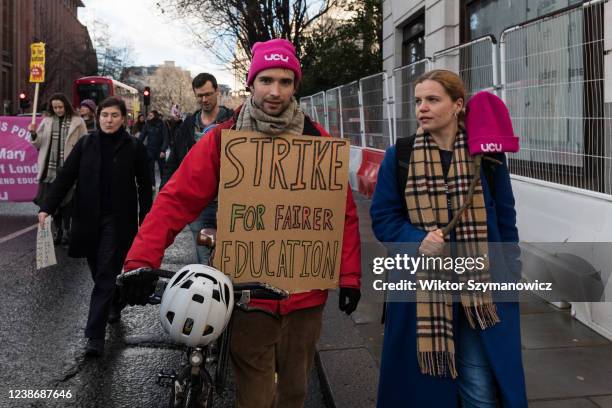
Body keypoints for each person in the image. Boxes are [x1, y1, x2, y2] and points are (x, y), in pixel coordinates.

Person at [122, 38, 362, 408]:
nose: (275, 91)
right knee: (254, 395)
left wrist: (349, 277)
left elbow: (341, 213)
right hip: (249, 294)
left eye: (285, 81)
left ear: (295, 86)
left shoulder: (319, 141)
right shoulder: (223, 140)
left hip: (305, 296)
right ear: (251, 84)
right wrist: (141, 261)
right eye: (266, 80)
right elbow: (176, 199)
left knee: (295, 390)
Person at [370, 69, 527, 407]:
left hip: (481, 288)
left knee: (479, 385)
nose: (421, 108)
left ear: (458, 105)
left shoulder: (487, 156)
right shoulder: (399, 156)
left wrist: (511, 270)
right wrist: (415, 240)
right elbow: (383, 219)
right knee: (427, 388)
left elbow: (505, 217)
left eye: (432, 99)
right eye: (417, 101)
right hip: (422, 292)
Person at [37, 96, 152, 357]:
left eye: (114, 115)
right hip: (87, 219)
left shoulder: (134, 147)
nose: (108, 120)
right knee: (97, 269)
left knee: (105, 272)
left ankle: (94, 336)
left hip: (117, 221)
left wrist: (146, 219)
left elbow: (146, 187)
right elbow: (66, 177)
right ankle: (114, 300)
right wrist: (47, 207)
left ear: (123, 119)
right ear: (97, 117)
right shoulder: (86, 144)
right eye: (104, 115)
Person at [160, 72, 233, 264]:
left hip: (230, 204)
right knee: (205, 260)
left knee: (231, 259)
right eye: (200, 95)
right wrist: (163, 195)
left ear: (217, 91)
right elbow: (175, 161)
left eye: (208, 94)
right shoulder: (188, 125)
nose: (204, 99)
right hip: (200, 205)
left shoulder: (234, 122)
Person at [28, 93, 88, 245]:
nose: (58, 110)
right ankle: (59, 230)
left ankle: (67, 230)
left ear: (66, 106)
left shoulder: (78, 121)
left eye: (60, 107)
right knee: (52, 203)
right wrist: (33, 133)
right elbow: (38, 143)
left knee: (68, 202)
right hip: (50, 169)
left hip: (69, 169)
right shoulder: (47, 121)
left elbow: (85, 143)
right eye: (55, 107)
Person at [139, 110, 169, 188]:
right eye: (149, 115)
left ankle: (164, 186)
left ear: (155, 116)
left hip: (160, 150)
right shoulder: (147, 124)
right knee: (150, 169)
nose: (149, 117)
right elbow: (142, 136)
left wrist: (163, 150)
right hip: (150, 150)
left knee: (162, 169)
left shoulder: (162, 124)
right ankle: (152, 186)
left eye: (151, 115)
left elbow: (166, 138)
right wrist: (137, 145)